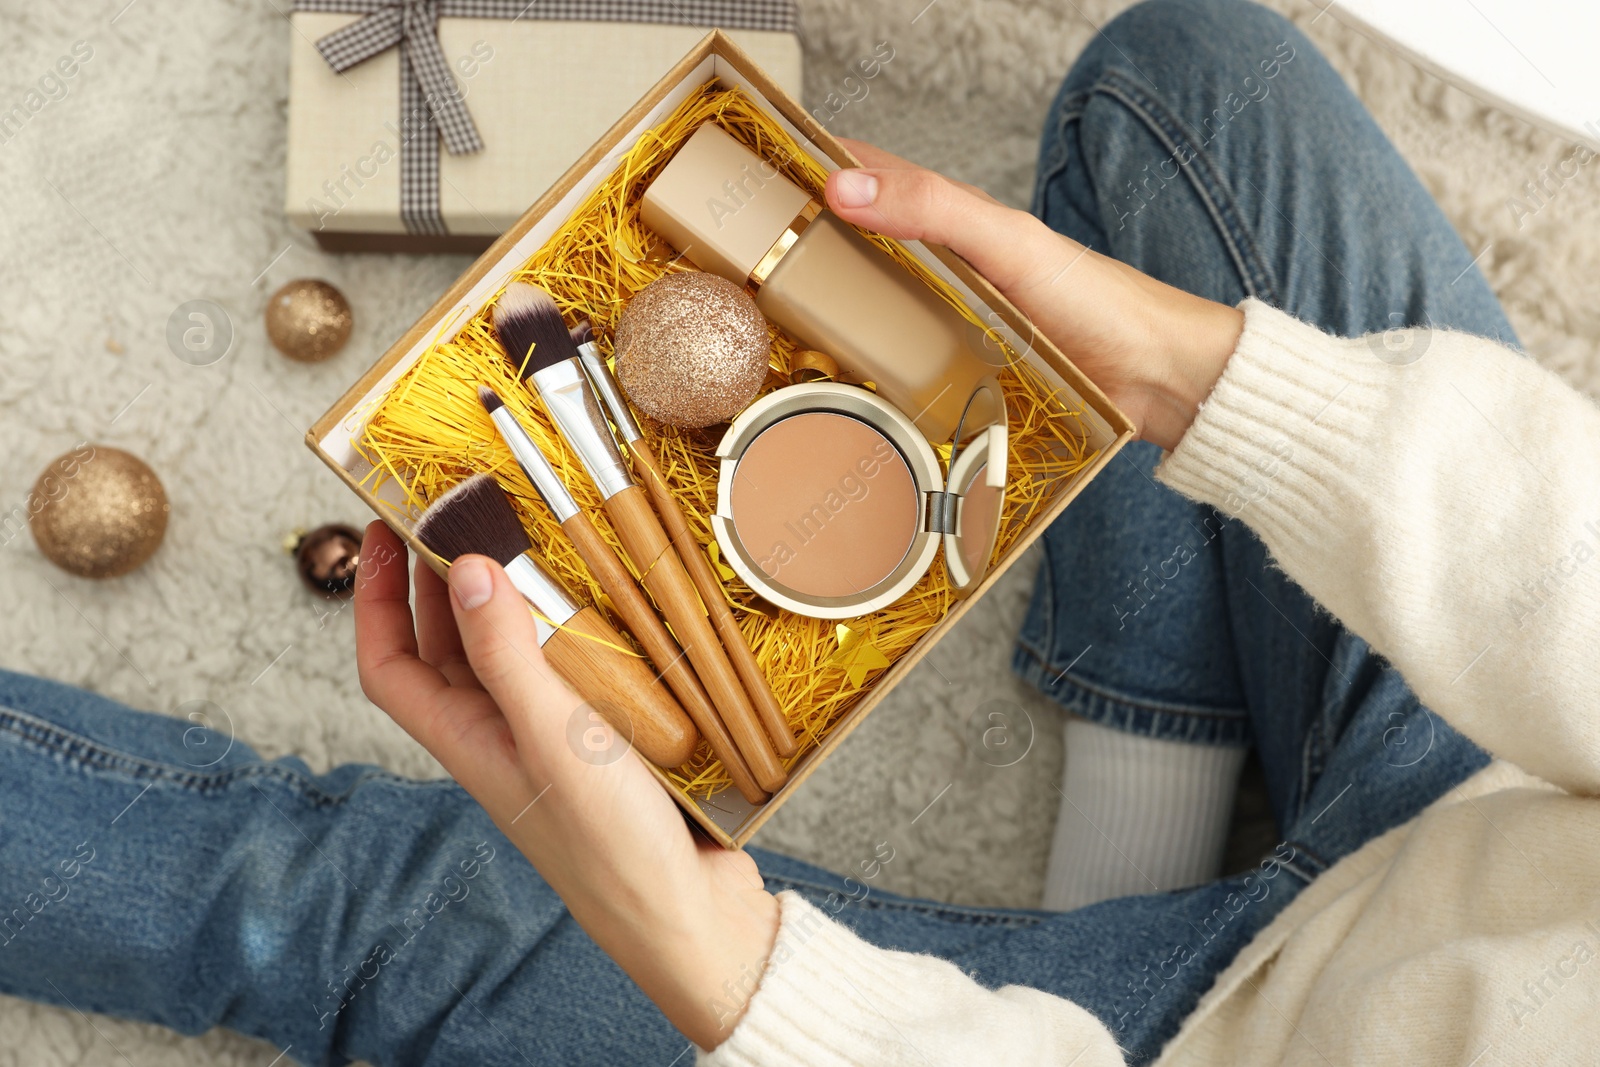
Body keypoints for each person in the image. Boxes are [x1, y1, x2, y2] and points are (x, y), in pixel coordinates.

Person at [0, 1, 1594, 1063]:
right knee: (1195, 86)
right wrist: (1210, 376)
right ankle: (1140, 824)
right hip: (1492, 777)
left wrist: (739, 985)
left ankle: (1109, 931)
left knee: (380, 898)